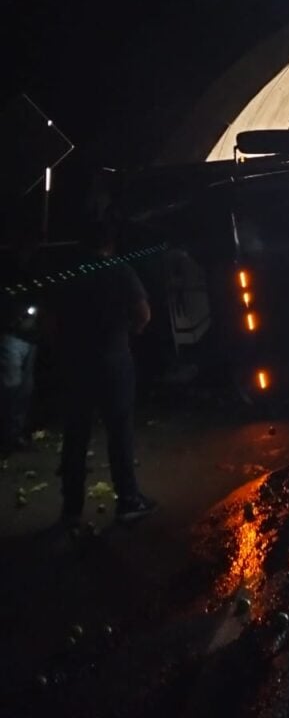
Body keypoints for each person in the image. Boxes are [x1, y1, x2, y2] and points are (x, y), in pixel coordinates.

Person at [56, 221, 157, 526]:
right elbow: (143, 314)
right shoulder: (120, 271)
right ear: (110, 244)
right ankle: (128, 500)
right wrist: (130, 332)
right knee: (119, 432)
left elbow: (49, 322)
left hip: (76, 365)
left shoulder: (69, 275)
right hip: (113, 361)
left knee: (75, 436)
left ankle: (71, 510)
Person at [0, 231, 42, 454]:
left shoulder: (32, 272)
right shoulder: (8, 272)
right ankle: (7, 434)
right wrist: (15, 319)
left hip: (30, 337)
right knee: (11, 386)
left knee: (25, 388)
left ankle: (15, 433)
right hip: (11, 336)